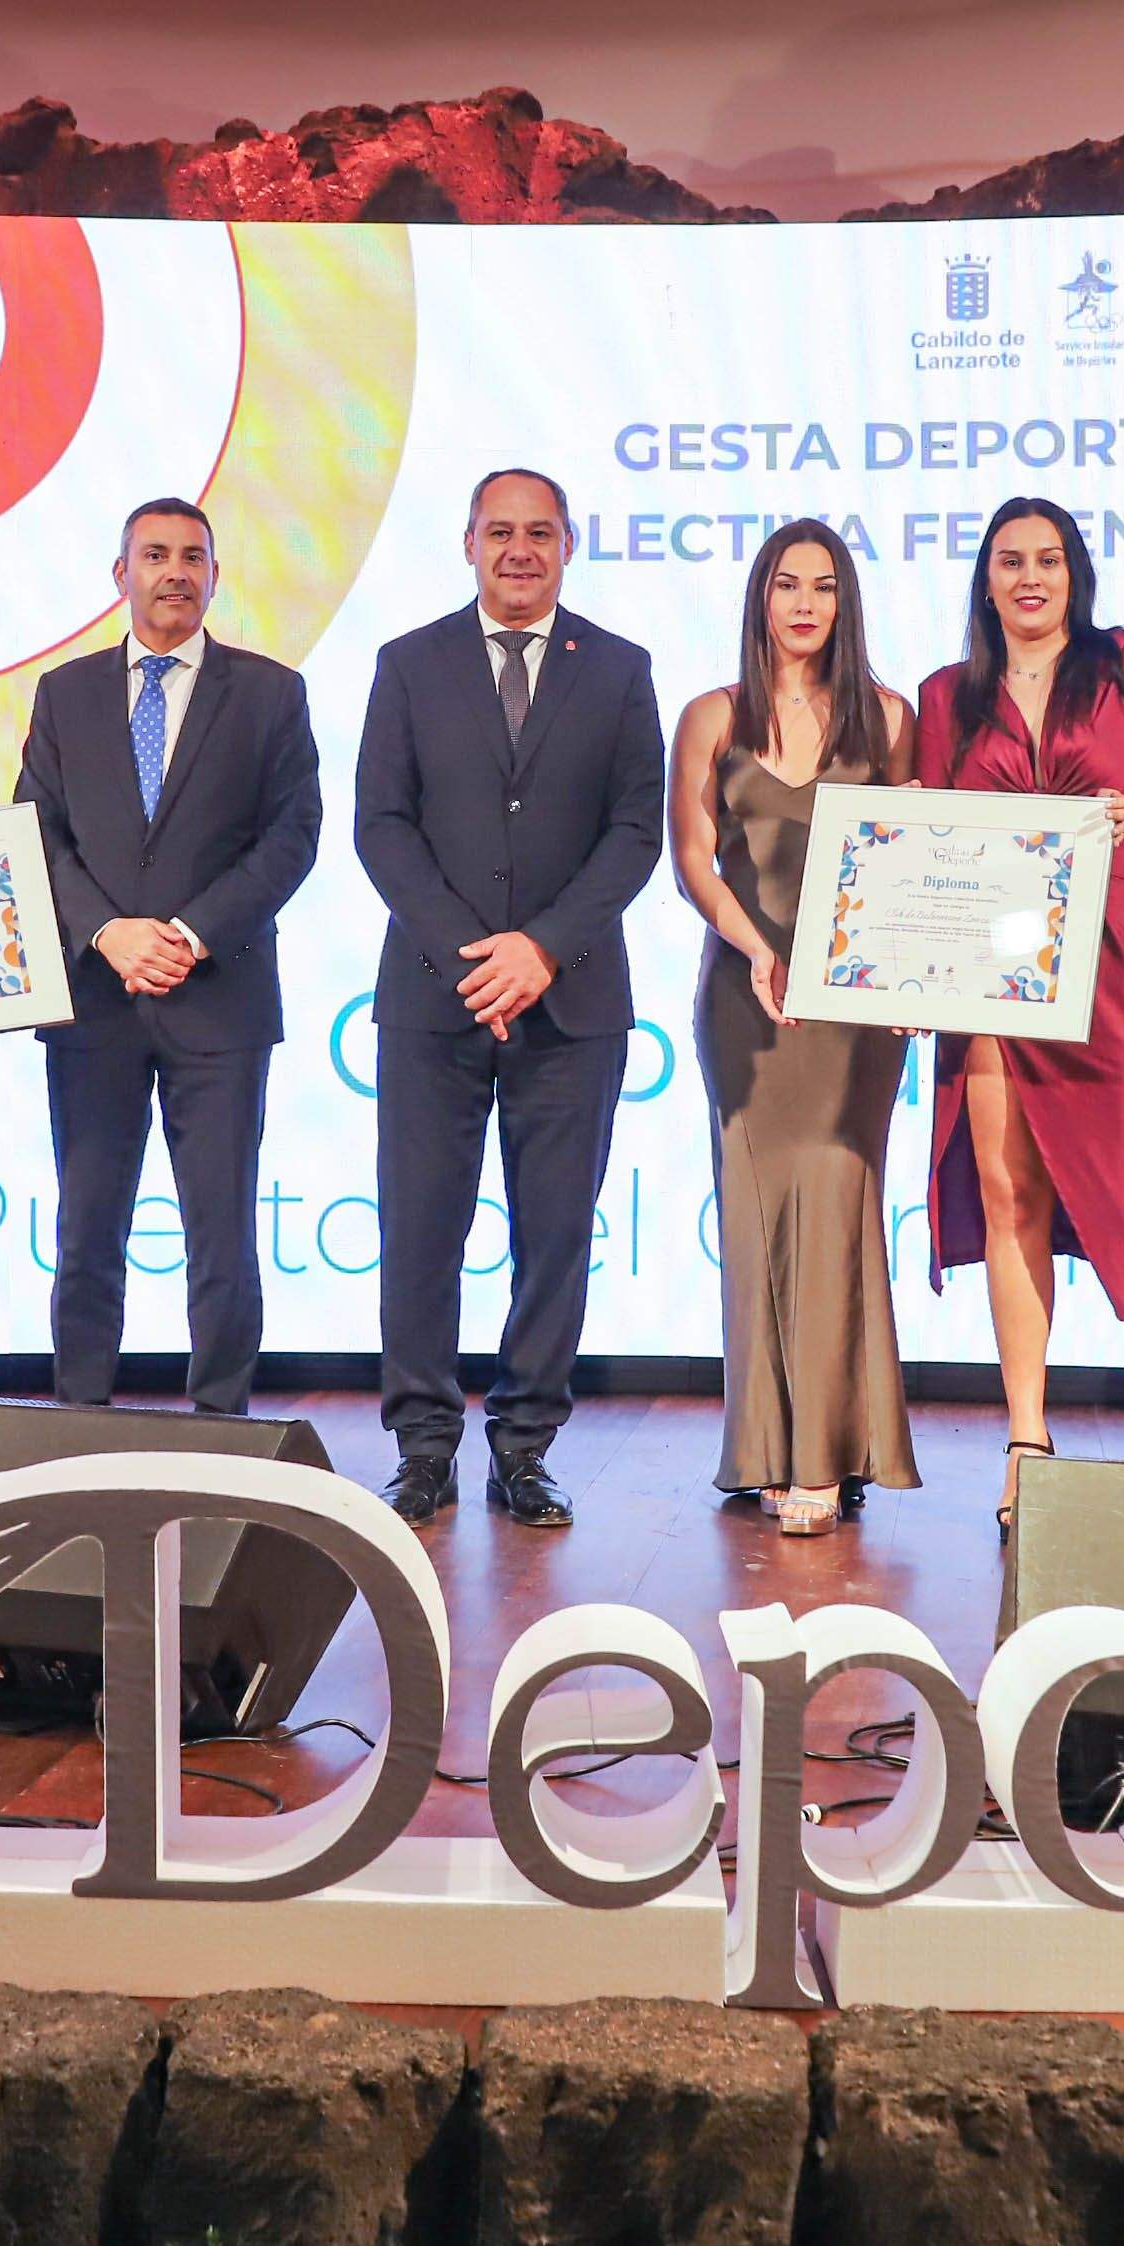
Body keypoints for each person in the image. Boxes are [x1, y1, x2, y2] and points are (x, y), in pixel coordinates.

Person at [910, 496, 1124, 1529]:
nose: (1028, 578)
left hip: (1121, 964)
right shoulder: (944, 694)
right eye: (1008, 561)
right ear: (986, 577)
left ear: (1073, 572)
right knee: (1009, 1195)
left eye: (1046, 559)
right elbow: (923, 837)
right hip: (994, 971)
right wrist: (912, 973)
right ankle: (1024, 1440)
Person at [354, 466, 665, 1527]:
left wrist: (539, 948)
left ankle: (524, 1447)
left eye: (540, 532)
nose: (519, 549)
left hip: (570, 1001)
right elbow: (380, 826)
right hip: (434, 1003)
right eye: (500, 531)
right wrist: (469, 954)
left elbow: (635, 830)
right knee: (420, 1230)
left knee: (554, 1236)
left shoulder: (619, 670)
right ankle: (422, 1448)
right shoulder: (408, 664)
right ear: (467, 542)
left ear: (568, 544)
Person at [16, 498, 323, 1415]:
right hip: (95, 1001)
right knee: (87, 1228)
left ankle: (223, 1422)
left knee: (222, 1232)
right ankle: (78, 1420)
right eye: (155, 555)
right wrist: (109, 933)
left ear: (216, 577)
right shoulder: (65, 694)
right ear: (122, 576)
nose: (175, 572)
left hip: (217, 997)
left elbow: (292, 836)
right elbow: (39, 832)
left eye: (194, 556)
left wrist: (187, 934)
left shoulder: (270, 693)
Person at [670, 521, 920, 1537]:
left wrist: (906, 973)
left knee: (839, 1203)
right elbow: (691, 856)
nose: (804, 602)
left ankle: (825, 1450)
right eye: (786, 583)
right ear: (759, 597)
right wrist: (753, 945)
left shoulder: (888, 716)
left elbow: (911, 860)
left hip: (856, 1012)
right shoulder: (710, 714)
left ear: (843, 600)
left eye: (822, 585)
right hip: (746, 994)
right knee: (755, 1212)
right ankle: (765, 1449)